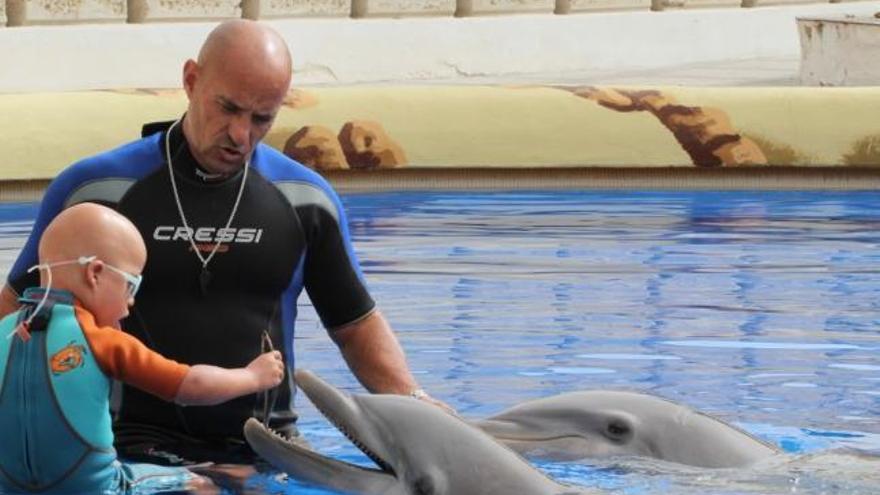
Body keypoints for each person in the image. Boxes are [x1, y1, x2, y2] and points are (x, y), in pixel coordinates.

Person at [0, 19, 448, 466]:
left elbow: (354, 326)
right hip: (129, 451)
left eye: (262, 118)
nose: (240, 134)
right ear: (191, 80)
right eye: (228, 108)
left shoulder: (305, 201)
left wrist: (415, 401)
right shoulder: (97, 191)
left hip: (271, 448)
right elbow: (19, 311)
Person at [0, 203, 285, 494]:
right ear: (95, 273)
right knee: (202, 485)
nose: (132, 302)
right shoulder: (101, 340)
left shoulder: (4, 330)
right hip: (97, 489)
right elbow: (191, 386)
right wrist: (253, 377)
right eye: (131, 286)